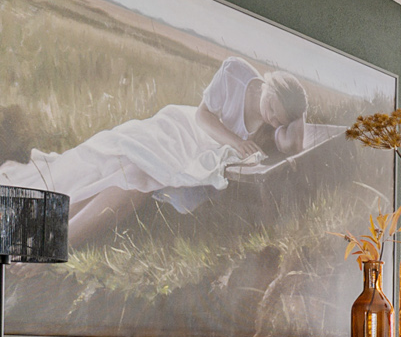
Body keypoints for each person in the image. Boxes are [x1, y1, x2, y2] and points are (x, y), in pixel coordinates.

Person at [0, 56, 334, 248]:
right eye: (273, 109)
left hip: (202, 152)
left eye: (279, 121)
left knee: (135, 175)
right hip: (183, 130)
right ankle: (46, 230)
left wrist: (296, 111)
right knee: (120, 161)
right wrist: (235, 141)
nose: (273, 121)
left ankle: (53, 237)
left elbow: (294, 144)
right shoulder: (236, 72)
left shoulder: (274, 123)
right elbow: (202, 116)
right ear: (271, 87)